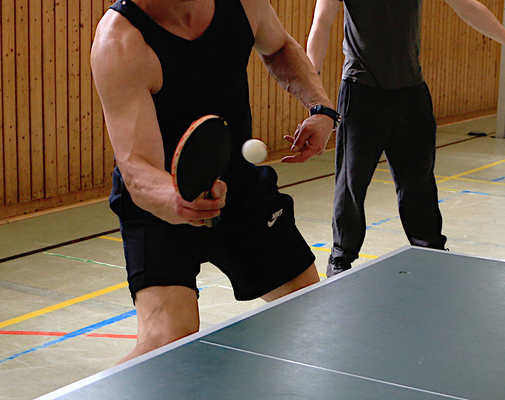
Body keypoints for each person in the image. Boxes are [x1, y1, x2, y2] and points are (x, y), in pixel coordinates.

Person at [91, 0, 337, 363]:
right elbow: (136, 165)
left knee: (308, 311)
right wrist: (178, 199)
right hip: (162, 203)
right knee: (167, 342)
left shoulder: (244, 4)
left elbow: (280, 46)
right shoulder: (121, 40)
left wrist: (320, 108)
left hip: (240, 188)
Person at [307, 0, 505, 277]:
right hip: (362, 92)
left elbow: (469, 8)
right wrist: (313, 97)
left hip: (411, 93)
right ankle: (341, 258)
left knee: (419, 181)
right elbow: (321, 23)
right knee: (351, 183)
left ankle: (430, 251)